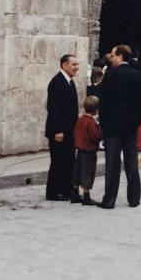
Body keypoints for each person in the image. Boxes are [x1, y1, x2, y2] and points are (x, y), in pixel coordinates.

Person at [97, 45, 141, 209]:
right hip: (131, 126)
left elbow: (103, 102)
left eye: (113, 55)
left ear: (120, 56)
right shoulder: (140, 76)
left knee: (112, 164)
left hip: (112, 127)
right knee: (131, 163)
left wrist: (103, 124)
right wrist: (136, 121)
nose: (111, 58)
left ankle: (109, 200)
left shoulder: (110, 75)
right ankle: (134, 198)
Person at [44, 54, 80, 201]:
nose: (77, 67)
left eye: (77, 64)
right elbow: (54, 109)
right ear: (64, 65)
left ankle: (66, 190)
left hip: (69, 131)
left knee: (68, 160)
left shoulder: (69, 82)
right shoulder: (57, 82)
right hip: (59, 131)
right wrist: (57, 130)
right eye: (74, 64)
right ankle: (53, 192)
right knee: (58, 161)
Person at [72, 96, 102, 205]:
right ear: (96, 109)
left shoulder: (80, 120)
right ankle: (86, 196)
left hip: (80, 150)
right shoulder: (91, 122)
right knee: (87, 172)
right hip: (89, 151)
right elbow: (95, 136)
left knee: (78, 171)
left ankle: (74, 193)